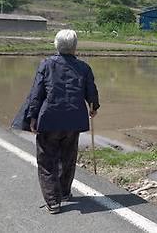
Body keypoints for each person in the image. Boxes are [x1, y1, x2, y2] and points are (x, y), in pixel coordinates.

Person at [12, 29, 99, 214]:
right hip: (74, 121)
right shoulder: (84, 67)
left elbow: (36, 93)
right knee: (68, 158)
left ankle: (53, 201)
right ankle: (65, 192)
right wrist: (93, 107)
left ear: (56, 45)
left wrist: (32, 117)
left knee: (46, 161)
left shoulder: (47, 64)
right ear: (75, 47)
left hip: (50, 119)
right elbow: (91, 93)